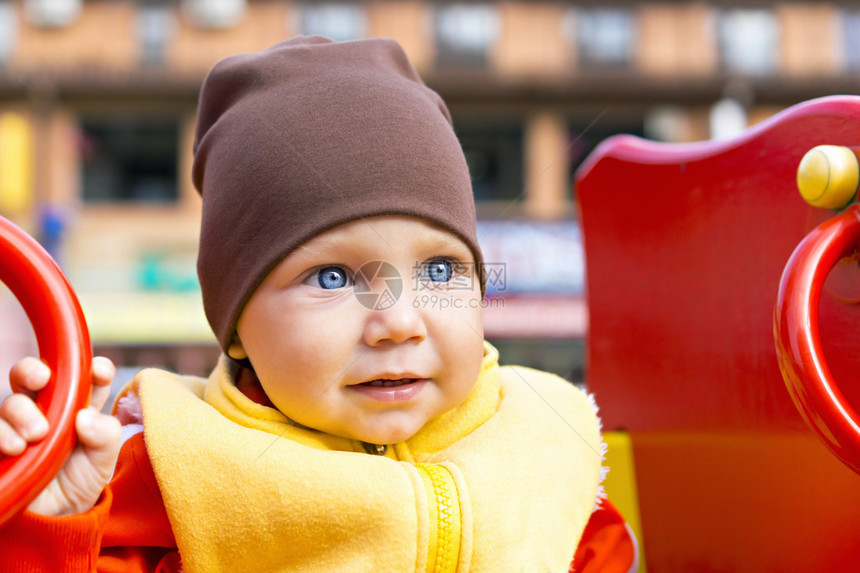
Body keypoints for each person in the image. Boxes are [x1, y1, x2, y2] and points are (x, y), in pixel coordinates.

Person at [0, 36, 635, 572]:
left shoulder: (545, 443)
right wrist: (49, 521)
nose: (398, 323)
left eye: (440, 269)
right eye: (331, 278)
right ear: (239, 327)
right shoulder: (162, 472)